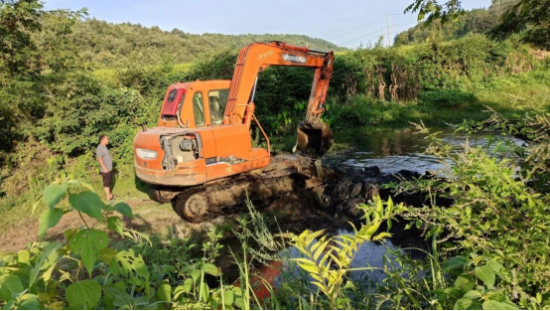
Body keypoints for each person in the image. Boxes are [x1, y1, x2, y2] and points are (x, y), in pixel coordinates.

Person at [96, 134, 115, 200]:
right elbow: (99, 159)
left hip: (109, 168)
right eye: (107, 139)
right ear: (102, 140)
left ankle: (110, 195)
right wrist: (104, 168)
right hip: (105, 169)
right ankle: (108, 197)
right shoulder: (100, 148)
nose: (108, 140)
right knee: (106, 183)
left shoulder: (104, 147)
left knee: (109, 182)